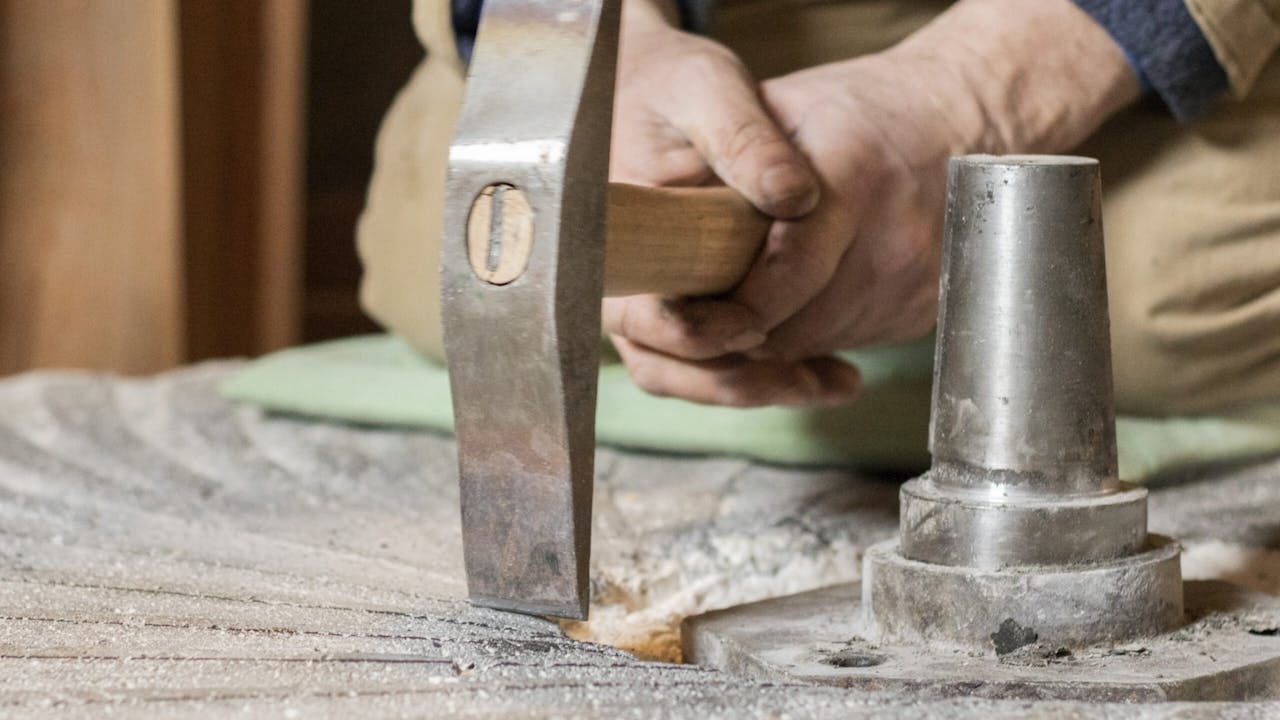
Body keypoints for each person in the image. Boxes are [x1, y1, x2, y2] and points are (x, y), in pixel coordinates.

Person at [358, 0, 1280, 416]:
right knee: (426, 255)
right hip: (694, 27)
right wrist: (607, 51)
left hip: (1089, 44)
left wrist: (968, 93)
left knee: (1168, 293)